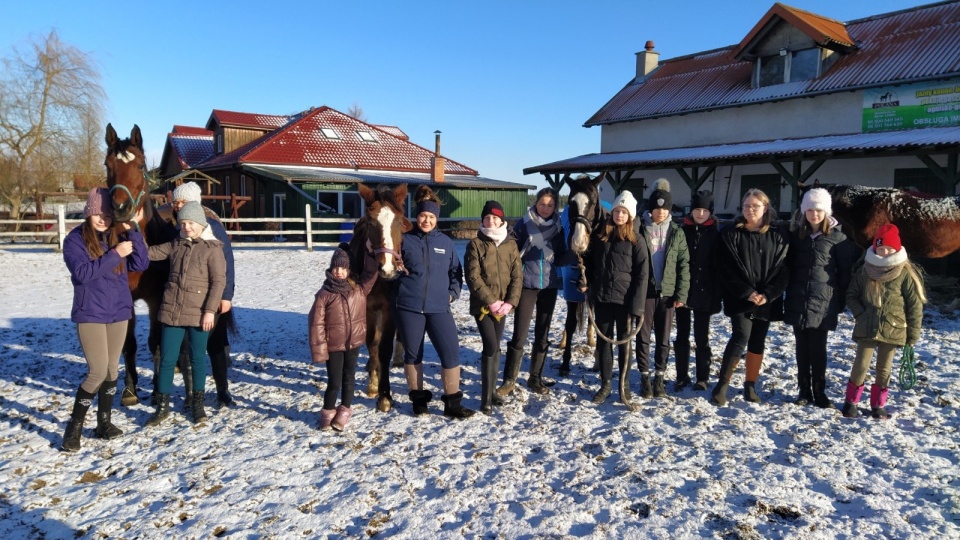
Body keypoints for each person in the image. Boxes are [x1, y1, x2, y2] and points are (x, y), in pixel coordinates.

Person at [61, 188, 149, 452]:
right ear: (89, 212)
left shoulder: (118, 236)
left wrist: (132, 229)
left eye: (108, 215)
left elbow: (141, 263)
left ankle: (104, 423)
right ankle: (73, 428)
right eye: (98, 214)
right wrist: (115, 254)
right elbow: (83, 273)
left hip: (119, 312)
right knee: (97, 372)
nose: (102, 219)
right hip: (91, 313)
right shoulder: (74, 240)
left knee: (112, 370)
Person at [395, 186, 475, 418]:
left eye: (431, 217)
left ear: (436, 218)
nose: (426, 220)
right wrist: (398, 277)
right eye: (422, 216)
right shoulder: (404, 240)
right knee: (413, 354)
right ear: (416, 217)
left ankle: (452, 403)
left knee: (451, 353)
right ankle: (419, 401)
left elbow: (455, 273)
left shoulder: (446, 243)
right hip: (409, 307)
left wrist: (452, 293)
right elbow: (391, 267)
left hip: (440, 307)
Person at [145, 201, 227, 425]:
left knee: (198, 359)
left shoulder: (213, 249)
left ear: (200, 223)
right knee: (167, 360)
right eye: (183, 223)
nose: (186, 227)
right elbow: (150, 253)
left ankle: (198, 405)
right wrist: (132, 237)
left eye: (190, 222)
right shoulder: (175, 244)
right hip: (172, 311)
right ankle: (162, 406)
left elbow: (218, 282)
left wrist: (210, 311)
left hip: (199, 314)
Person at [161, 182, 237, 407]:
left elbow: (227, 264)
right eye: (176, 202)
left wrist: (226, 296)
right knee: (188, 348)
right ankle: (192, 394)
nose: (177, 206)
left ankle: (222, 390)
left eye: (182, 202)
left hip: (212, 298)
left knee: (216, 344)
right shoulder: (179, 229)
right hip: (187, 301)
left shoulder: (212, 227)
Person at [711, 189, 789, 406]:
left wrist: (768, 294)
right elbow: (725, 268)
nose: (750, 210)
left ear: (766, 208)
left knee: (758, 340)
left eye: (755, 206)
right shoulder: (730, 233)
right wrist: (747, 292)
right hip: (740, 297)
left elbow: (784, 269)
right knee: (741, 335)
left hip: (766, 299)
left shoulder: (778, 235)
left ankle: (750, 384)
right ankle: (723, 383)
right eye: (747, 206)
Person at [784, 188, 856, 408]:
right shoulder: (797, 237)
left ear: (826, 212)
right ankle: (803, 390)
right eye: (809, 210)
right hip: (798, 298)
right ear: (804, 211)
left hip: (823, 301)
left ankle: (819, 390)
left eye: (818, 210)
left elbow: (844, 273)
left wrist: (840, 300)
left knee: (818, 347)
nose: (814, 214)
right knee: (800, 347)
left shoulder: (838, 239)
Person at [843, 223, 925, 419]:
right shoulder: (865, 270)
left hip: (894, 328)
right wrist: (860, 314)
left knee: (884, 369)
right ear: (875, 248)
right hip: (867, 326)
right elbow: (851, 295)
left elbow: (914, 305)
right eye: (881, 248)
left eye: (889, 249)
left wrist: (912, 335)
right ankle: (851, 402)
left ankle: (878, 405)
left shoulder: (904, 273)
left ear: (896, 249)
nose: (885, 252)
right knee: (861, 365)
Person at [582, 191, 649, 404]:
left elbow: (642, 274)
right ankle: (605, 384)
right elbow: (590, 264)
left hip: (625, 301)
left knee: (624, 344)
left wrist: (637, 305)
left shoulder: (636, 240)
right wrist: (585, 283)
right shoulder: (601, 236)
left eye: (624, 212)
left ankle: (624, 385)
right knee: (604, 343)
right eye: (617, 211)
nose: (619, 215)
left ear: (630, 215)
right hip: (602, 297)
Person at [498, 187, 566, 397]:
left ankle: (535, 377)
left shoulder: (559, 226)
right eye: (542, 204)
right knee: (520, 333)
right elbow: (511, 249)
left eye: (550, 205)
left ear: (555, 206)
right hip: (526, 283)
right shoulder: (524, 223)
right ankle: (509, 380)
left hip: (549, 285)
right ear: (536, 203)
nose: (546, 208)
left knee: (543, 334)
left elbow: (562, 254)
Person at [308, 244, 377, 431]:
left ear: (349, 270)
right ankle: (328, 411)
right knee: (334, 381)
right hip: (334, 345)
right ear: (331, 269)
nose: (339, 272)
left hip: (353, 343)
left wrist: (371, 253)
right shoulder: (324, 294)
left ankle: (345, 411)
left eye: (343, 268)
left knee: (349, 378)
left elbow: (371, 273)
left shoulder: (359, 289)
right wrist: (320, 350)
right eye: (336, 268)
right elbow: (316, 324)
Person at [464, 200, 523, 414]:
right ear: (482, 220)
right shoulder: (476, 244)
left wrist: (510, 303)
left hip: (503, 307)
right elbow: (473, 276)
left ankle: (492, 392)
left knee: (496, 347)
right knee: (490, 345)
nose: (491, 220)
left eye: (495, 217)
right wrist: (491, 301)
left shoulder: (510, 245)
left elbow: (517, 276)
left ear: (502, 220)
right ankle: (485, 398)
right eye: (487, 217)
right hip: (483, 306)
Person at [635, 179, 689, 397]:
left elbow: (684, 264)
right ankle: (644, 377)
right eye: (656, 208)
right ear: (650, 209)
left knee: (664, 339)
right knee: (643, 337)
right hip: (646, 292)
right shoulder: (639, 229)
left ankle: (660, 377)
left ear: (669, 210)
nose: (660, 212)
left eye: (664, 208)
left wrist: (681, 293)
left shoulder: (676, 232)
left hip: (667, 294)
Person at [674, 190, 722, 392]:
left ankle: (702, 377)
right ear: (691, 211)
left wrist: (716, 295)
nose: (700, 213)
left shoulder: (716, 235)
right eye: (697, 209)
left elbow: (720, 266)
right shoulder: (681, 232)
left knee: (702, 336)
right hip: (683, 291)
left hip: (705, 291)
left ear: (710, 212)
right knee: (682, 334)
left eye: (704, 210)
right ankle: (681, 375)